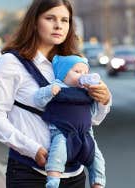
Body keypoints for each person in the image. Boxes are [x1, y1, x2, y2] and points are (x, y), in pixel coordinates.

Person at [0, 0, 111, 187]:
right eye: (50, 18)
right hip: (30, 173)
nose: (59, 25)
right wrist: (32, 149)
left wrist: (104, 100)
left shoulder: (76, 66)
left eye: (65, 20)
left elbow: (90, 120)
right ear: (34, 22)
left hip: (74, 175)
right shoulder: (11, 63)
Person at [33, 55, 105, 188]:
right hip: (63, 132)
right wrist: (50, 91)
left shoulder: (87, 91)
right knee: (57, 153)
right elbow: (37, 100)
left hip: (85, 134)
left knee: (97, 158)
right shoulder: (57, 86)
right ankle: (53, 180)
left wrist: (101, 98)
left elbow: (94, 114)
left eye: (85, 72)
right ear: (63, 74)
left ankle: (98, 182)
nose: (82, 75)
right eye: (77, 72)